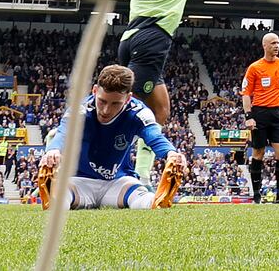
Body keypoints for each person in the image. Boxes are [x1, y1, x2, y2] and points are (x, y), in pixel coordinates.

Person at [102, 0, 239, 181]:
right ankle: (101, 162)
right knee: (127, 109)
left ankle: (142, 174)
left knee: (161, 110)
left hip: (130, 37)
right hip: (152, 39)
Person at [36, 64, 185, 210]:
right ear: (95, 90)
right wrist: (53, 150)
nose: (106, 110)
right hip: (79, 182)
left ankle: (156, 202)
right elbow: (63, 132)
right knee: (61, 196)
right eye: (102, 101)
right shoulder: (79, 111)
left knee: (140, 196)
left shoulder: (139, 113)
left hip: (118, 183)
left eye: (115, 104)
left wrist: (171, 153)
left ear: (128, 98)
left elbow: (155, 137)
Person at [241, 32, 279, 203]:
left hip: (278, 113)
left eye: (278, 43)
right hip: (260, 114)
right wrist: (249, 116)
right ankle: (257, 195)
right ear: (264, 45)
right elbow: (246, 93)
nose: (276, 46)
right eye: (273, 43)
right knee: (258, 152)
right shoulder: (254, 67)